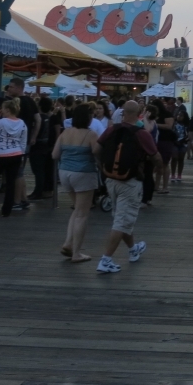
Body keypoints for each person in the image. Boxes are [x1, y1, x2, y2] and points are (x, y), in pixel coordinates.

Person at [93, 101, 158, 274]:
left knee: (121, 217)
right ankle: (105, 260)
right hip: (130, 181)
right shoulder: (141, 133)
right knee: (121, 221)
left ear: (122, 113)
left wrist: (103, 168)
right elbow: (156, 157)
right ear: (139, 114)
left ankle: (133, 249)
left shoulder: (111, 129)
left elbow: (96, 150)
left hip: (111, 180)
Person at [53, 103, 100, 263]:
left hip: (65, 173)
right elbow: (96, 152)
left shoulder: (65, 133)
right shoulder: (91, 134)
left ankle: (68, 243)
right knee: (82, 214)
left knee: (76, 210)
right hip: (83, 173)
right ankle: (77, 253)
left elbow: (55, 155)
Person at [5, 78, 40, 212]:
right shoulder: (31, 101)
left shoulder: (16, 103)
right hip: (25, 140)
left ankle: (17, 201)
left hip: (15, 141)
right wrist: (33, 137)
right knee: (19, 171)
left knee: (17, 172)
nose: (9, 89)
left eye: (12, 87)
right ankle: (23, 199)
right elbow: (38, 120)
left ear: (19, 88)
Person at [28, 96, 56, 200]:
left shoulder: (38, 118)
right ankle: (43, 190)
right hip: (47, 147)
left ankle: (38, 191)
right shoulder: (49, 118)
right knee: (44, 170)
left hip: (37, 147)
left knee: (38, 171)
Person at [153, 97, 176, 195]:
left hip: (166, 140)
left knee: (165, 164)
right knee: (158, 164)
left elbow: (169, 126)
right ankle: (156, 186)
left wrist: (156, 125)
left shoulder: (167, 114)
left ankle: (165, 187)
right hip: (156, 141)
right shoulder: (154, 115)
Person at [172, 108, 190, 182]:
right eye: (178, 115)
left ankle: (179, 174)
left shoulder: (186, 126)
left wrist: (184, 140)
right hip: (174, 143)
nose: (179, 116)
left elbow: (188, 135)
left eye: (181, 115)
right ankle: (173, 174)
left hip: (183, 143)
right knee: (174, 158)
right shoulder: (174, 124)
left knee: (181, 159)